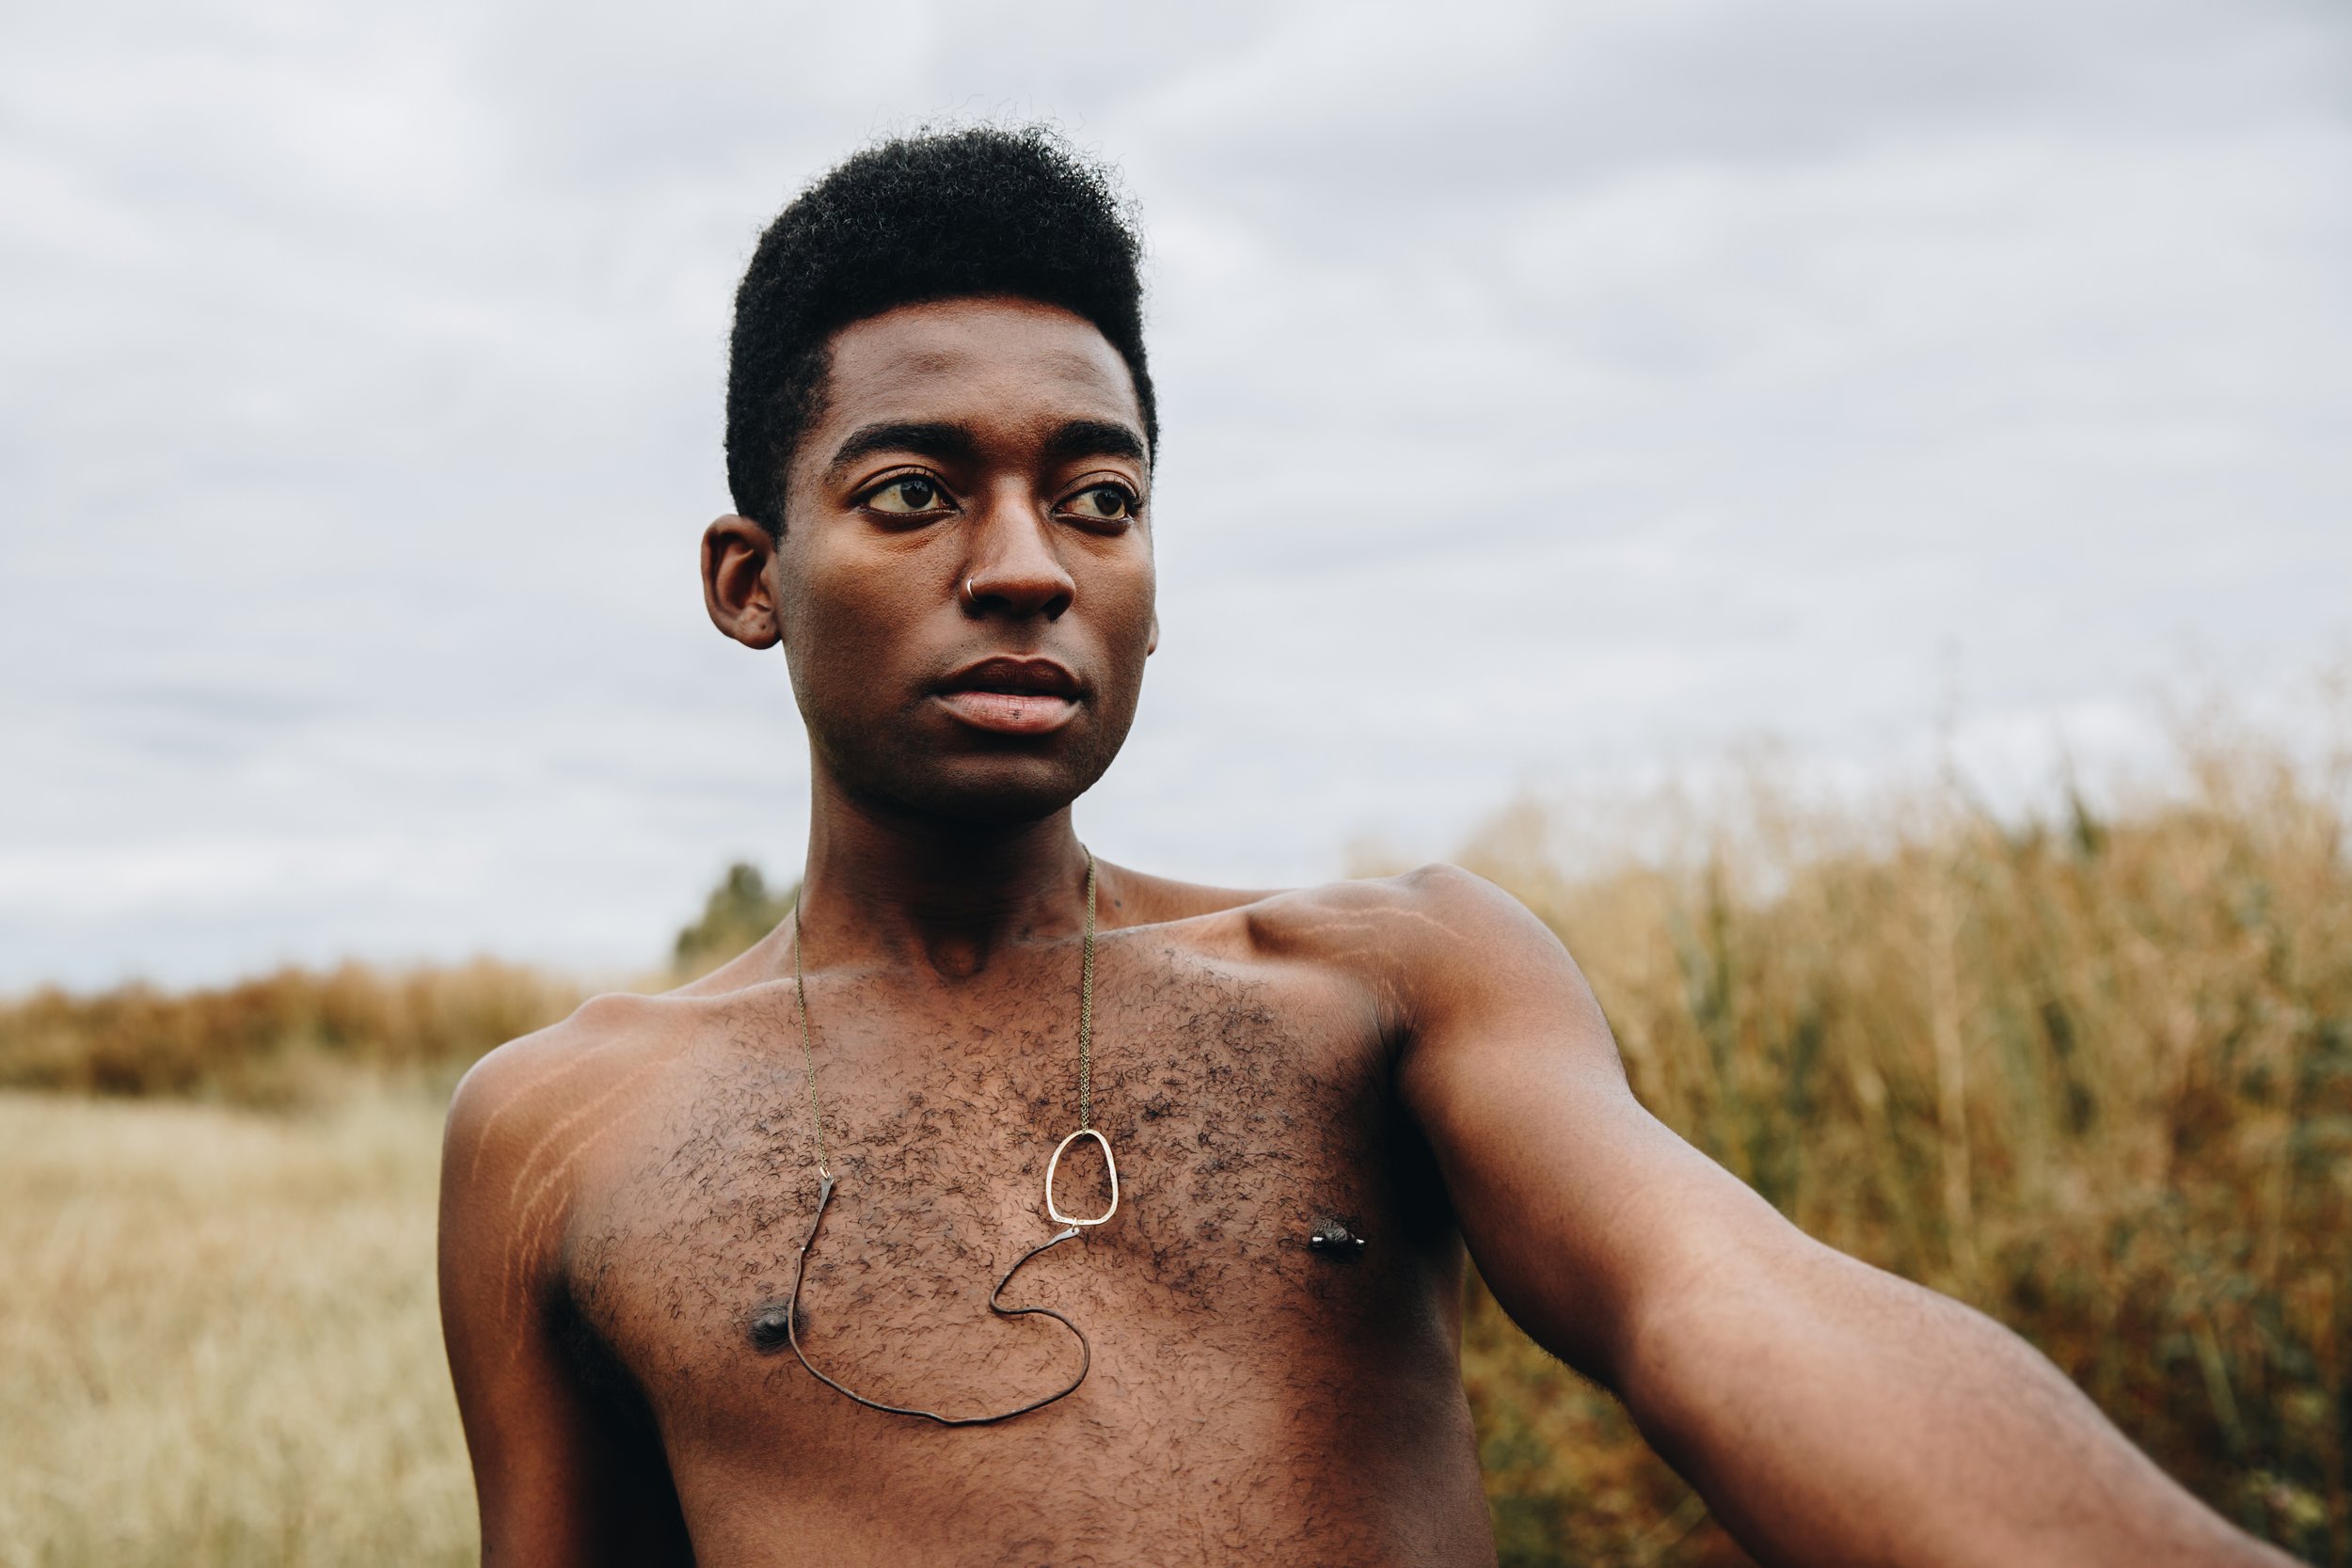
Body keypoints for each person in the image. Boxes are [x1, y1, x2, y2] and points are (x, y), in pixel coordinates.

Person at [437, 126, 2291, 1568]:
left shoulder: (1384, 986)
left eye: (1097, 500)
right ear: (748, 580)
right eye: (912, 494)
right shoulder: (559, 1135)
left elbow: (1711, 1297)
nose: (1021, 568)